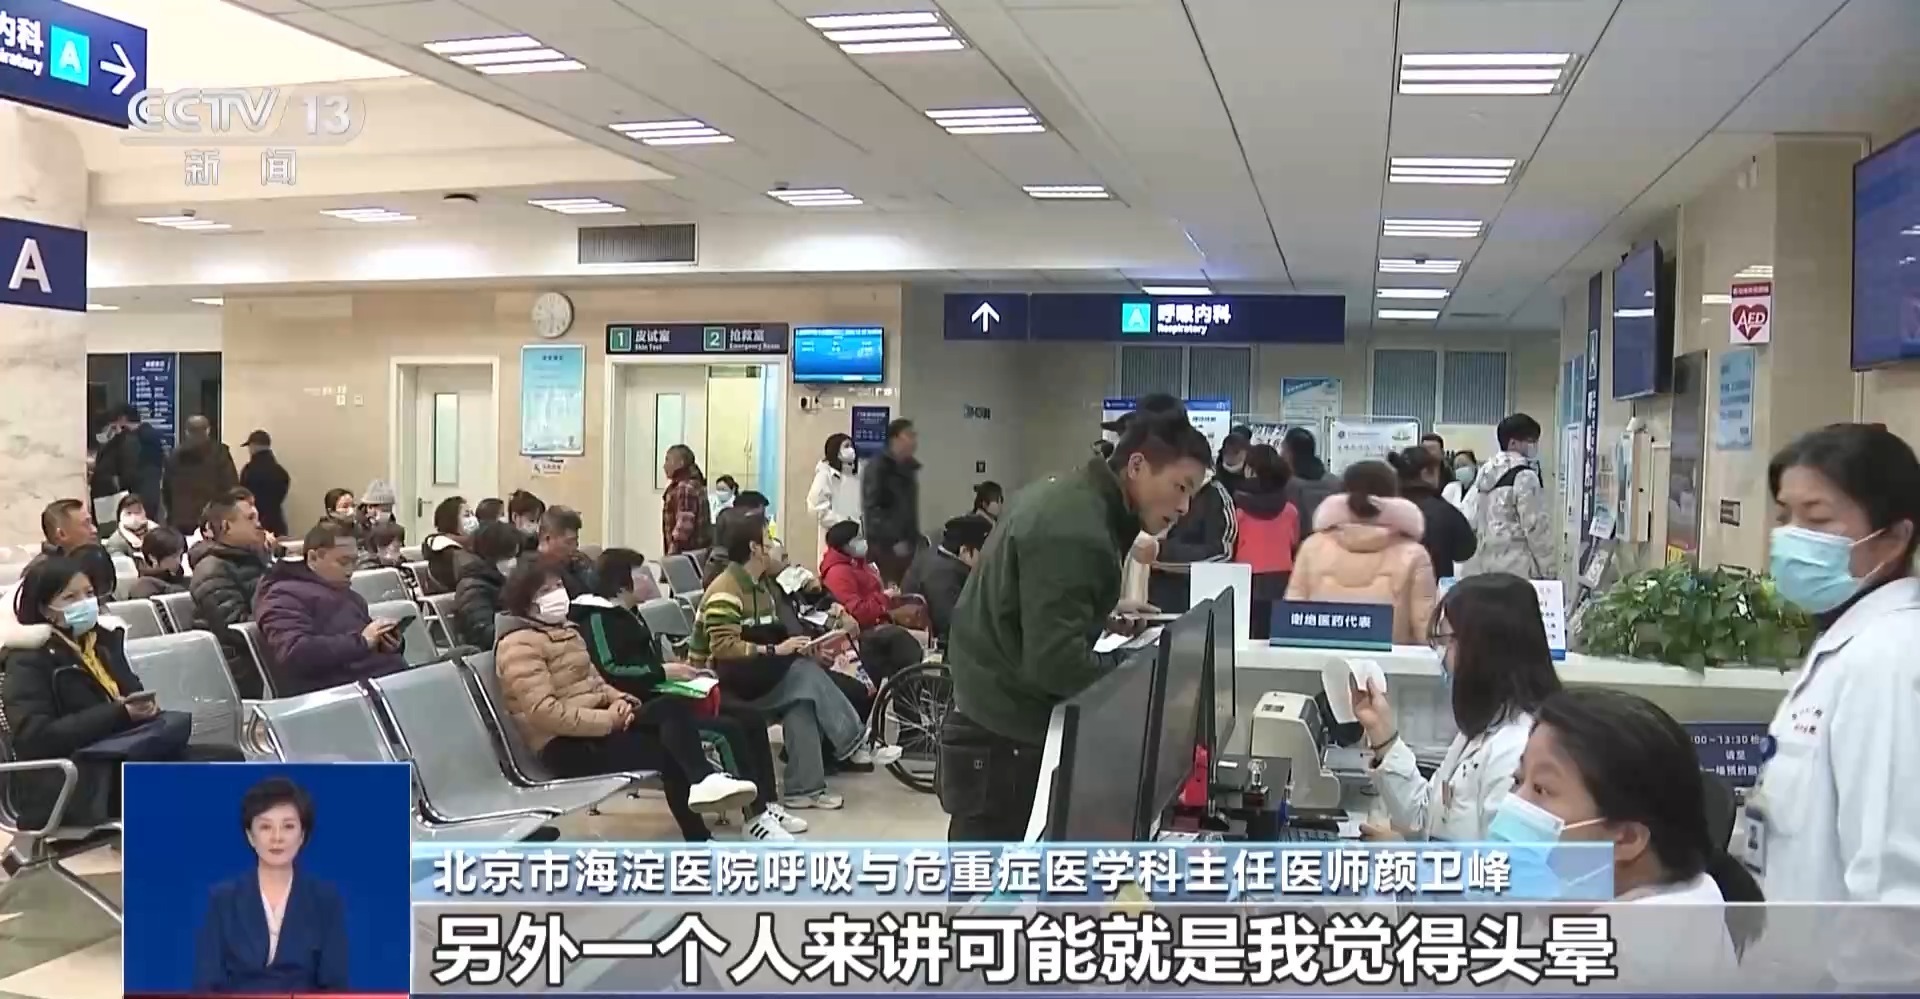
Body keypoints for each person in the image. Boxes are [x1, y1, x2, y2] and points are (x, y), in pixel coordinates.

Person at [942, 395, 1211, 841]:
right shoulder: (1077, 527)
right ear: (1137, 466)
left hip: (993, 710)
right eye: (1181, 487)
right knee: (992, 880)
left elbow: (1029, 602)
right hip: (1004, 737)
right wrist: (1137, 671)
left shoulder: (1078, 498)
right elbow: (1056, 665)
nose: (1184, 507)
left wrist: (1100, 614)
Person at [1751, 423, 1920, 905]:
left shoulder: (1890, 659)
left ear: (1893, 539)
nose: (1790, 537)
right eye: (1785, 515)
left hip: (1852, 953)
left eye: (1818, 519)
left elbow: (1892, 884)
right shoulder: (1849, 642)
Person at [1506, 688, 1760, 985]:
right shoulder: (1681, 893)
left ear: (1626, 838)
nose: (1514, 805)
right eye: (1518, 780)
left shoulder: (1619, 968)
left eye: (1542, 789)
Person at [496, 560, 755, 841]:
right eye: (546, 591)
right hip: (563, 745)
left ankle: (705, 789)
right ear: (526, 602)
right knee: (670, 751)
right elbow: (544, 713)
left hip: (596, 727)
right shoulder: (517, 645)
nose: (557, 594)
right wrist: (609, 719)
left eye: (558, 585)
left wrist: (621, 701)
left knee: (670, 707)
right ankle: (701, 822)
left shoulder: (566, 631)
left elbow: (597, 682)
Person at [571, 548, 800, 841]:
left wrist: (682, 672)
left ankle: (767, 804)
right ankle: (753, 818)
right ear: (620, 584)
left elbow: (648, 663)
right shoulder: (598, 618)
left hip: (666, 696)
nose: (648, 580)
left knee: (750, 718)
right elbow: (611, 670)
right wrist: (662, 673)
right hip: (641, 707)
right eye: (640, 575)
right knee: (727, 730)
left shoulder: (629, 613)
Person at [2, 558, 243, 828]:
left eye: (89, 593)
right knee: (197, 787)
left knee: (226, 760)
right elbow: (35, 738)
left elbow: (131, 693)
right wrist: (118, 713)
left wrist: (143, 708)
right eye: (70, 597)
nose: (85, 603)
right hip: (76, 778)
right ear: (45, 610)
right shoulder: (28, 659)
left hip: (124, 754)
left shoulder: (102, 641)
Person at [690, 510, 897, 810]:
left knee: (801, 701)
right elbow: (723, 648)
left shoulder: (763, 587)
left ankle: (804, 789)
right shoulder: (726, 589)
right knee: (804, 674)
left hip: (756, 675)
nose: (773, 546)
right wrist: (777, 651)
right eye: (768, 539)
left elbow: (771, 635)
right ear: (754, 548)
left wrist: (801, 647)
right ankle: (858, 742)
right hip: (727, 683)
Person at [1349, 572, 1562, 841]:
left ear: (1483, 647)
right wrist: (1382, 735)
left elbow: (1501, 864)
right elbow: (1424, 816)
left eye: (1446, 642)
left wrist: (1407, 856)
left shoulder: (1516, 748)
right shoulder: (1483, 729)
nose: (1442, 656)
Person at [193, 777, 348, 992]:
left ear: (302, 835)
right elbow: (207, 984)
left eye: (288, 826)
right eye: (266, 827)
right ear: (250, 836)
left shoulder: (325, 900)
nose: (277, 837)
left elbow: (335, 987)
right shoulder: (223, 899)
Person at [1286, 460, 1436, 644]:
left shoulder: (1312, 547)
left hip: (1323, 657)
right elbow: (1424, 623)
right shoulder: (1414, 554)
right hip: (1391, 660)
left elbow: (1292, 614)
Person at [256, 521, 408, 695]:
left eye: (354, 562)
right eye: (343, 562)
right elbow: (294, 653)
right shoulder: (283, 595)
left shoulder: (349, 596)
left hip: (378, 684)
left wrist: (387, 643)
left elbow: (363, 643)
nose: (350, 570)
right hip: (340, 695)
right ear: (313, 557)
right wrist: (362, 642)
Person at [1146, 434, 1239, 614]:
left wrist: (1159, 553)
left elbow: (1222, 553)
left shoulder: (1215, 497)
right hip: (1145, 600)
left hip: (1189, 603)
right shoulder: (1152, 487)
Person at [1461, 413, 1553, 579]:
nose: (1534, 445)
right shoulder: (1525, 476)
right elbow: (1535, 527)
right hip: (1517, 567)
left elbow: (1469, 516)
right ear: (1513, 443)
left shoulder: (1485, 472)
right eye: (1530, 440)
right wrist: (1548, 570)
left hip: (1485, 566)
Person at [190, 495, 275, 670]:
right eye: (250, 518)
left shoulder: (254, 559)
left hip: (265, 653)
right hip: (238, 665)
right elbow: (234, 630)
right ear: (226, 526)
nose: (259, 525)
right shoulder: (211, 570)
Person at [1231, 443, 1299, 639]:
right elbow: (1293, 542)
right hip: (1282, 578)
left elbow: (1231, 542)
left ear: (1250, 470)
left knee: (1245, 634)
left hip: (1244, 576)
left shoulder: (1238, 509)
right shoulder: (1290, 510)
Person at [1390, 446, 1477, 580]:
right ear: (1426, 473)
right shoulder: (1443, 511)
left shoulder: (1384, 508)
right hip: (1432, 586)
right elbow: (1465, 551)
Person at [903, 515, 991, 643]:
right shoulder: (943, 575)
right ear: (965, 551)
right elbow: (953, 625)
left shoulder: (930, 560)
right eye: (984, 553)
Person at [819, 521, 913, 632]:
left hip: (882, 619)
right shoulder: (838, 573)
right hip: (867, 630)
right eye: (859, 538)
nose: (864, 542)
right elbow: (857, 612)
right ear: (846, 544)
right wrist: (884, 598)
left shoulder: (858, 563)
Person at [861, 419, 922, 586]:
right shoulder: (878, 468)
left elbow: (907, 510)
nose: (914, 440)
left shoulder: (908, 468)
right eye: (909, 435)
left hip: (908, 545)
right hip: (886, 549)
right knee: (890, 592)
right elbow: (873, 509)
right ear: (895, 439)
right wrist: (893, 540)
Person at [163, 416, 239, 534]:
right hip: (211, 519)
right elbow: (230, 485)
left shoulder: (174, 455)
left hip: (181, 519)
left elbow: (167, 489)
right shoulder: (219, 454)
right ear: (208, 430)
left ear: (186, 432)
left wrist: (172, 513)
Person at [452, 521, 519, 650]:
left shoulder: (502, 580)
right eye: (509, 556)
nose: (513, 562)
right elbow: (483, 633)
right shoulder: (473, 588)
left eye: (515, 556)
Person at [34, 498, 117, 600]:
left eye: (91, 523)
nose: (94, 530)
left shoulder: (92, 561)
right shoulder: (39, 577)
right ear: (62, 534)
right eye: (86, 524)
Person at [97, 404, 167, 520]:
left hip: (134, 498)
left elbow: (127, 472)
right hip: (150, 495)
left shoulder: (130, 440)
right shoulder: (152, 437)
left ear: (122, 419)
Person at [806, 433, 863, 554]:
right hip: (834, 537)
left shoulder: (857, 477)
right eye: (846, 446)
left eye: (851, 446)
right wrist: (844, 523)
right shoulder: (825, 475)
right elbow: (817, 508)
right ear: (836, 450)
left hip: (857, 538)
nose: (851, 450)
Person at [1281, 427, 1340, 534]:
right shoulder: (1334, 482)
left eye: (1283, 448)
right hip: (1330, 539)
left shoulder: (1289, 485)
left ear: (1289, 453)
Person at [661, 445, 712, 557]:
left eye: (668, 460)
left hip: (684, 555)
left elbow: (684, 527)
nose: (664, 466)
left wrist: (671, 555)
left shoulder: (685, 487)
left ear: (681, 463)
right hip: (696, 555)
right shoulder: (696, 483)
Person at [239, 431, 291, 538]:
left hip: (254, 524)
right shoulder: (280, 472)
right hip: (276, 523)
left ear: (254, 446)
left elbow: (242, 496)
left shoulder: (249, 471)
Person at [538, 507, 598, 597]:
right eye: (568, 542)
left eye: (576, 540)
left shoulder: (578, 564)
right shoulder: (530, 572)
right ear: (547, 538)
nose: (575, 546)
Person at [422, 495, 475, 593]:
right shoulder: (445, 552)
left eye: (473, 514)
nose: (473, 519)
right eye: (467, 515)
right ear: (451, 520)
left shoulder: (469, 545)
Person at [128, 528, 190, 600]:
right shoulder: (142, 586)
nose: (179, 561)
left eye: (180, 555)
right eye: (173, 557)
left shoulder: (186, 581)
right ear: (152, 558)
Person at [102, 493, 153, 563]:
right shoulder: (115, 542)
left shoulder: (157, 532)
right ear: (120, 516)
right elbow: (120, 566)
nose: (134, 517)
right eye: (129, 513)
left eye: (137, 512)